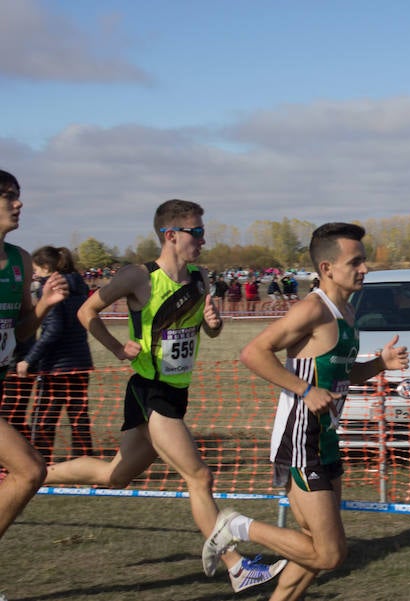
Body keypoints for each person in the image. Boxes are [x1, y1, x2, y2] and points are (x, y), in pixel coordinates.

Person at [43, 199, 286, 593]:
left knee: (115, 475)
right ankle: (237, 566)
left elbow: (207, 333)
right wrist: (118, 349)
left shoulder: (199, 279)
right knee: (199, 475)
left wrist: (214, 324)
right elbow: (87, 312)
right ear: (171, 236)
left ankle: (35, 475)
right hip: (149, 391)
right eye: (198, 232)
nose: (204, 239)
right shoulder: (137, 277)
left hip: (176, 392)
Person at [202, 222, 409, 601]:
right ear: (328, 268)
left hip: (327, 438)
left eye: (364, 261)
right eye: (356, 262)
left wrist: (381, 363)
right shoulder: (312, 309)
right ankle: (236, 527)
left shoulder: (346, 310)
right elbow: (253, 353)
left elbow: (345, 376)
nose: (365, 269)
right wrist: (304, 388)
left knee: (314, 549)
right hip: (301, 439)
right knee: (330, 553)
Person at [0, 169, 70, 544]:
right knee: (28, 470)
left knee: (29, 471)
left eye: (18, 194)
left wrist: (44, 305)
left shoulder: (20, 261)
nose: (19, 202)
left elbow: (21, 330)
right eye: (9, 195)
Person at [20, 246, 94, 461]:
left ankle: (41, 462)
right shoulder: (79, 287)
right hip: (80, 362)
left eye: (36, 269)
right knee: (78, 417)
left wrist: (28, 360)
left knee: (44, 418)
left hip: (56, 367)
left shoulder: (52, 290)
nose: (34, 274)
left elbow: (53, 330)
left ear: (46, 267)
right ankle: (84, 462)